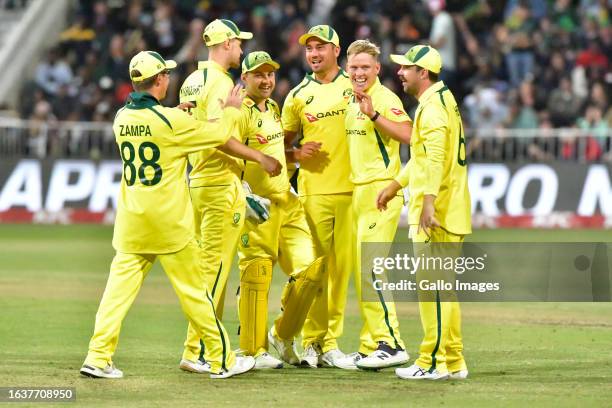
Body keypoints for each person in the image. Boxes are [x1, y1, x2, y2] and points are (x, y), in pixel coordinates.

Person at [80, 50, 259, 380]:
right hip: (168, 224)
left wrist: (174, 113)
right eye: (166, 75)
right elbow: (217, 135)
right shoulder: (171, 122)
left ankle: (97, 356)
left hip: (132, 223)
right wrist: (231, 112)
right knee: (195, 294)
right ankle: (222, 360)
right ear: (160, 80)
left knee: (115, 296)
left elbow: (155, 128)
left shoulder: (122, 118)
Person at [177, 19, 281, 374]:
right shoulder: (223, 84)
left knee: (208, 270)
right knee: (215, 272)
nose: (241, 49)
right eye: (239, 44)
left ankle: (200, 347)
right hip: (220, 182)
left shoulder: (192, 81)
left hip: (198, 181)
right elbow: (220, 137)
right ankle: (199, 350)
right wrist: (260, 157)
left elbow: (192, 129)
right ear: (226, 44)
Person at [378, 45, 472, 380]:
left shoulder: (431, 110)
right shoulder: (443, 101)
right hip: (451, 207)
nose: (400, 73)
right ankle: (453, 359)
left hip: (438, 211)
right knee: (444, 290)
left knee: (431, 289)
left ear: (423, 72)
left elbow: (433, 160)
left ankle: (432, 361)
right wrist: (396, 185)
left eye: (406, 68)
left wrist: (428, 201)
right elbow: (422, 158)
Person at [235, 51, 324, 369]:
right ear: (244, 78)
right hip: (259, 206)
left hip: (288, 201)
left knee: (311, 271)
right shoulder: (239, 112)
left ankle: (281, 334)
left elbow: (275, 150)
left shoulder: (272, 108)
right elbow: (226, 152)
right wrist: (242, 196)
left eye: (270, 74)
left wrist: (296, 154)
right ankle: (251, 350)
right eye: (258, 74)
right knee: (256, 275)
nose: (266, 80)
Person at [334, 39, 412, 370]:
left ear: (377, 69)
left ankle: (391, 344)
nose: (359, 72)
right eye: (354, 67)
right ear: (346, 69)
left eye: (366, 67)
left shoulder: (384, 98)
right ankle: (371, 345)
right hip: (359, 193)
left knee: (372, 269)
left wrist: (375, 115)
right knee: (362, 273)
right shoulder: (352, 101)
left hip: (381, 192)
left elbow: (408, 134)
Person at [280, 25, 354, 368]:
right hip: (314, 191)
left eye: (320, 47)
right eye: (309, 48)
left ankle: (329, 343)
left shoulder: (354, 87)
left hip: (354, 190)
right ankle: (312, 342)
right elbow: (279, 147)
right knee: (315, 272)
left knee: (342, 273)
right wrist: (296, 154)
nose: (314, 53)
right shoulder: (297, 95)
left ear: (336, 50)